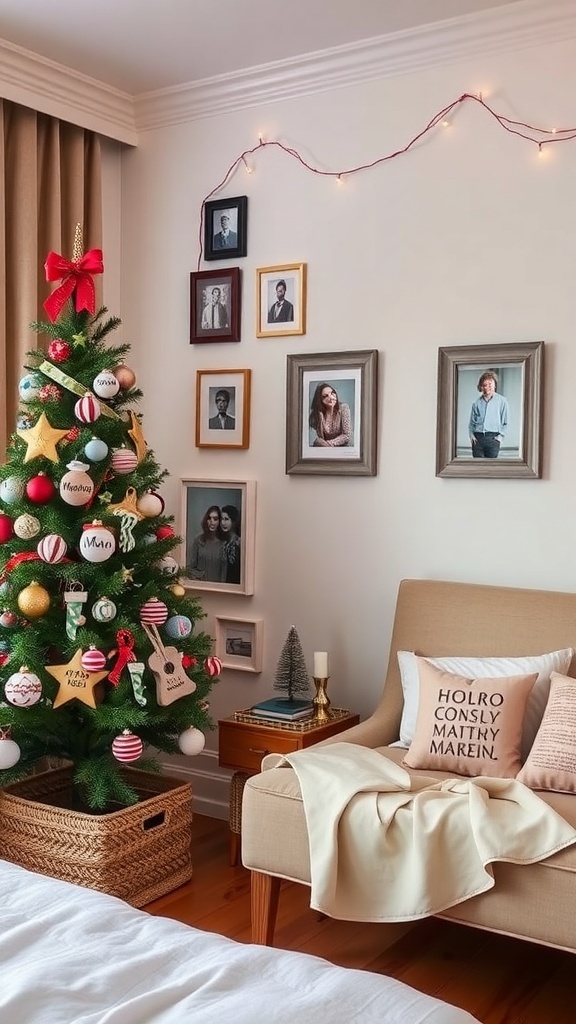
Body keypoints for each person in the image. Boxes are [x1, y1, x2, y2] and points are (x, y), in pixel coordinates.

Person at [468, 370, 509, 459]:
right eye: (485, 385)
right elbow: (472, 423)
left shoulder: (502, 401)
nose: (487, 387)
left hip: (493, 438)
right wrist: (472, 436)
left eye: (490, 384)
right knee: (477, 469)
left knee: (491, 469)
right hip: (478, 439)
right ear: (481, 387)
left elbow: (506, 422)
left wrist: (499, 439)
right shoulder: (476, 403)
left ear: (494, 385)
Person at [188, 505, 225, 582]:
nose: (212, 522)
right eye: (209, 518)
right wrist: (201, 575)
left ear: (219, 521)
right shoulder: (198, 540)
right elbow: (191, 568)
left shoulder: (224, 543)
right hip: (202, 586)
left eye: (215, 519)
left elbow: (225, 572)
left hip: (219, 588)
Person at [309, 383, 352, 447]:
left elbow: (347, 435)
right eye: (325, 396)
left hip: (342, 449)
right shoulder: (319, 414)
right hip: (325, 450)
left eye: (332, 393)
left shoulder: (344, 408)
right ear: (320, 400)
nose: (331, 397)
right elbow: (319, 439)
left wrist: (329, 444)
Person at [220, 504, 241, 584]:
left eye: (226, 519)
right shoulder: (223, 542)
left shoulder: (238, 542)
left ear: (233, 521)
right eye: (222, 519)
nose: (223, 523)